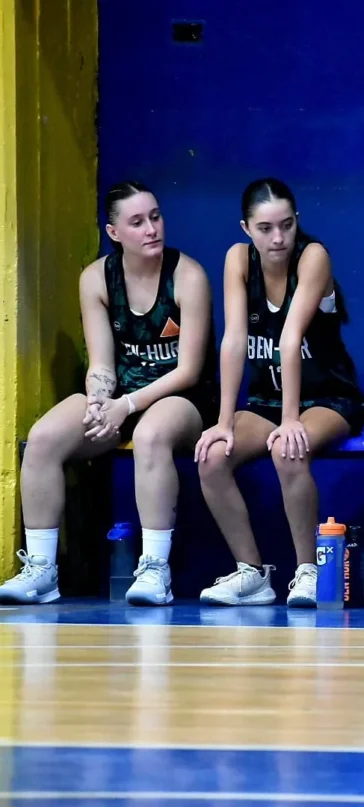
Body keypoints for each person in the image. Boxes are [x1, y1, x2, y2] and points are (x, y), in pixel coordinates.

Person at [0, 181, 217, 606]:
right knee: (44, 437)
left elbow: (189, 371)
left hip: (183, 402)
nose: (152, 228)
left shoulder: (187, 276)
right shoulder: (96, 278)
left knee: (152, 434)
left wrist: (127, 406)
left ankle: (155, 569)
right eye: (137, 222)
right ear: (114, 232)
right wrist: (100, 403)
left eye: (155, 217)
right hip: (121, 399)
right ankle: (41, 571)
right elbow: (102, 364)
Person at [195, 178, 364, 608]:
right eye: (266, 228)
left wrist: (291, 419)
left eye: (286, 225)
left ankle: (308, 571)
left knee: (288, 449)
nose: (278, 237)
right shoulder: (238, 260)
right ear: (246, 228)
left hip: (328, 396)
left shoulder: (313, 257)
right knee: (212, 456)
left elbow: (290, 339)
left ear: (297, 223)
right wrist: (222, 422)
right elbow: (233, 340)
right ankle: (251, 573)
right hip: (267, 399)